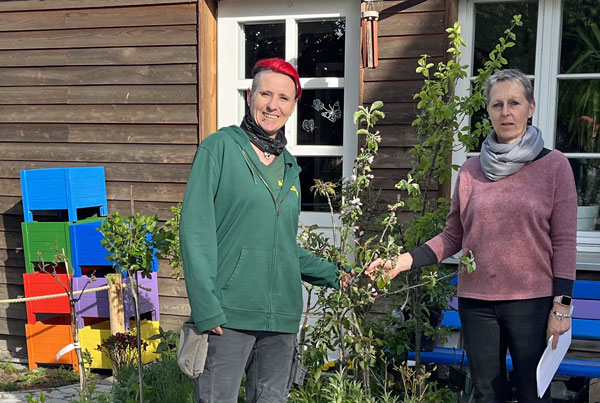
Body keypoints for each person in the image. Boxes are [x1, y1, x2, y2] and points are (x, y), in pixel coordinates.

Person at [369, 69, 577, 402]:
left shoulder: (555, 167)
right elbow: (454, 235)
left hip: (532, 304)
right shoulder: (471, 170)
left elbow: (565, 242)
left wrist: (562, 307)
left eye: (514, 103)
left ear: (531, 107)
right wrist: (402, 261)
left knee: (533, 394)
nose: (505, 112)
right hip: (477, 304)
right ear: (488, 110)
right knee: (484, 393)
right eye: (497, 105)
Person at [180, 58, 347, 403]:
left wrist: (336, 274)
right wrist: (206, 307)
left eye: (284, 98)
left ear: (293, 106)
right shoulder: (220, 148)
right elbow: (195, 231)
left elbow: (284, 246)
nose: (273, 105)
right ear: (250, 97)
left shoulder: (290, 166)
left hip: (281, 320)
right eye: (266, 94)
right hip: (228, 316)